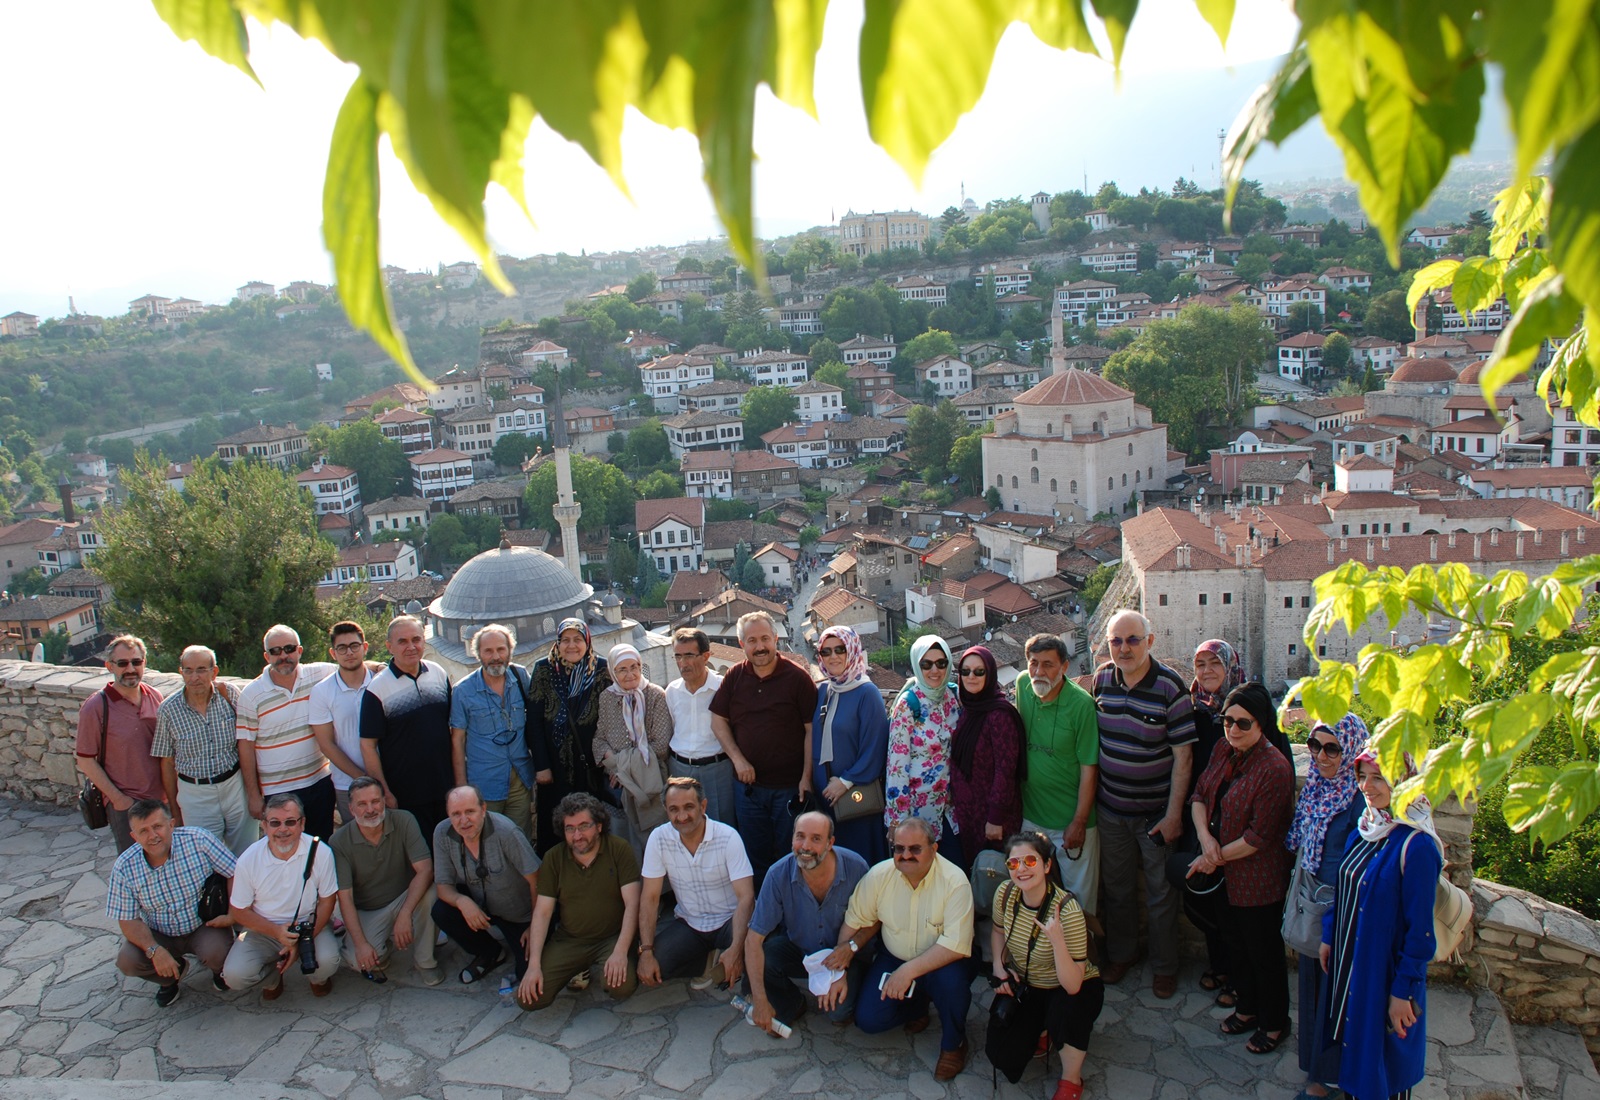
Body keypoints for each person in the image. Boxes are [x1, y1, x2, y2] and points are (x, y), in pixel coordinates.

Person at [1318, 749, 1442, 1100]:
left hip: (1382, 976)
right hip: (1350, 966)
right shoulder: (1368, 827)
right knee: (1354, 1053)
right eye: (1361, 776)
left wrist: (1403, 991)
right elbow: (1344, 886)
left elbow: (1420, 933)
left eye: (1378, 777)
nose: (1367, 787)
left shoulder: (1416, 847)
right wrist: (1330, 934)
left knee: (1384, 1068)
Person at [1092, 609, 1196, 999]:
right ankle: (1122, 956)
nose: (1124, 648)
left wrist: (1173, 816)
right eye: (1116, 641)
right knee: (1117, 891)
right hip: (1110, 810)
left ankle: (1165, 967)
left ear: (1150, 642)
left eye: (1133, 639)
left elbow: (1183, 758)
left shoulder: (1171, 688)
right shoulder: (1101, 678)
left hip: (1155, 814)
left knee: (1161, 894)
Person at [1187, 682, 1295, 1054]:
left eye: (1243, 723)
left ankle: (1276, 1022)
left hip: (1258, 878)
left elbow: (1258, 837)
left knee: (1263, 952)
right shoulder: (1222, 749)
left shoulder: (1274, 769)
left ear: (1262, 724)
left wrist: (1210, 857)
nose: (1232, 729)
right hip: (1225, 872)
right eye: (1227, 720)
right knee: (1236, 944)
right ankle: (1248, 1009)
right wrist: (1205, 839)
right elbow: (1200, 794)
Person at [837, 817, 975, 1081]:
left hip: (942, 960)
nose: (905, 855)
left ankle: (953, 1044)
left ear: (933, 850)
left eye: (915, 849)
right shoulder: (879, 875)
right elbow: (853, 922)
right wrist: (840, 968)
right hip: (893, 957)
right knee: (868, 1019)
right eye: (899, 848)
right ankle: (919, 1005)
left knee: (953, 986)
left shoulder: (955, 881)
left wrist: (907, 972)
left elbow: (955, 946)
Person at [986, 832, 1105, 1100]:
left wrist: (1057, 941)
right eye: (1014, 863)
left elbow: (1073, 983)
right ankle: (1041, 1028)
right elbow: (996, 931)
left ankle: (1071, 1080)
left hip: (1072, 985)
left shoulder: (1067, 910)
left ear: (1047, 865)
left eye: (1030, 860)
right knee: (1001, 1054)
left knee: (1066, 1015)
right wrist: (998, 966)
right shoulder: (1005, 893)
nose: (1022, 869)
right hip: (1029, 984)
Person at [1289, 714, 1369, 1100]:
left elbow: (1358, 863)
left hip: (1343, 911)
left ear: (1351, 749)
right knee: (1313, 993)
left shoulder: (1359, 799)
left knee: (1337, 999)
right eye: (1315, 746)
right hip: (1312, 902)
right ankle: (1316, 1070)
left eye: (1332, 748)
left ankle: (1328, 1080)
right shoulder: (1318, 788)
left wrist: (1339, 918)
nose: (1321, 756)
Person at [710, 611, 817, 885]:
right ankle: (763, 915)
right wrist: (738, 760)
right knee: (754, 856)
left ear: (776, 639)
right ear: (740, 643)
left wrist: (806, 777)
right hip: (748, 790)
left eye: (765, 639)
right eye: (752, 640)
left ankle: (791, 914)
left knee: (790, 855)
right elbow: (718, 721)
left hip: (788, 789)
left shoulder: (798, 679)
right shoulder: (734, 676)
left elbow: (810, 731)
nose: (760, 647)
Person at [744, 810, 872, 1033]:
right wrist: (761, 1001)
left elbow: (876, 920)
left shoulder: (856, 868)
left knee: (838, 1013)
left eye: (816, 839)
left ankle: (856, 984)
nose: (805, 846)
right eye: (800, 836)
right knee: (767, 955)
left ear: (830, 843)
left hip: (847, 955)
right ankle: (791, 1003)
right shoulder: (777, 874)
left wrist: (849, 949)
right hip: (802, 951)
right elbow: (753, 940)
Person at [516, 792, 640, 1011]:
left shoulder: (619, 849)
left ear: (599, 826)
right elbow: (543, 912)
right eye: (570, 828)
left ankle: (616, 959)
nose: (577, 835)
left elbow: (632, 903)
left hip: (611, 938)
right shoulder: (554, 857)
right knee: (530, 999)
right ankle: (576, 967)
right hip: (571, 939)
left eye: (584, 826)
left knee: (619, 987)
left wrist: (621, 951)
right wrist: (533, 965)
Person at [106, 799, 237, 1007]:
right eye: (144, 831)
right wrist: (153, 950)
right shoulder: (124, 867)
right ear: (134, 836)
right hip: (160, 932)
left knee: (218, 953)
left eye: (157, 826)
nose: (153, 836)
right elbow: (127, 920)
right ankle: (169, 979)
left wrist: (232, 914)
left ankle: (218, 972)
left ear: (171, 824)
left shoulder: (199, 840)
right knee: (128, 960)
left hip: (203, 924)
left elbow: (234, 872)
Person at [637, 776, 755, 990]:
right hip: (690, 923)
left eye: (689, 807)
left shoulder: (728, 837)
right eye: (674, 809)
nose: (682, 816)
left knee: (759, 949)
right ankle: (708, 960)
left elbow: (746, 897)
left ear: (703, 806)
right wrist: (646, 951)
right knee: (657, 965)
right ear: (666, 810)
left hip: (730, 921)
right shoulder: (658, 838)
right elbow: (650, 897)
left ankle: (727, 955)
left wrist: (737, 948)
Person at [223, 792, 340, 999]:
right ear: (264, 826)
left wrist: (303, 941)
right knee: (235, 975)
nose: (283, 829)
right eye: (275, 823)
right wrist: (277, 933)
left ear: (302, 824)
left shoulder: (321, 852)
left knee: (328, 960)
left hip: (309, 925)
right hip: (264, 930)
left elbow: (327, 901)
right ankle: (273, 979)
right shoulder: (248, 860)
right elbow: (239, 911)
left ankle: (317, 978)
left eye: (290, 822)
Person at [329, 776, 443, 986]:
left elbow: (425, 869)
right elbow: (345, 898)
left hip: (404, 897)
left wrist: (405, 913)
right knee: (360, 961)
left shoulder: (403, 820)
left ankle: (425, 962)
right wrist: (361, 944)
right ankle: (383, 947)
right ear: (351, 808)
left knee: (434, 892)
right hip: (369, 909)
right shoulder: (339, 841)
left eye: (375, 801)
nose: (370, 809)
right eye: (362, 804)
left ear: (384, 800)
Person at [1016, 634, 1099, 916]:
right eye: (1033, 663)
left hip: (1071, 821)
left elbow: (1089, 767)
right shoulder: (1022, 685)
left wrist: (1079, 821)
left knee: (1080, 899)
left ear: (1065, 667)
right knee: (1030, 892)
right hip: (1031, 815)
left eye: (1048, 665)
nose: (1039, 672)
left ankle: (1084, 957)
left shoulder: (1081, 705)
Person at [236, 625, 340, 840]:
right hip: (278, 791)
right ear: (266, 656)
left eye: (289, 649)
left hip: (319, 783)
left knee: (321, 848)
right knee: (284, 852)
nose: (283, 656)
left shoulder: (318, 674)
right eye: (275, 651)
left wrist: (377, 666)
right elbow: (245, 746)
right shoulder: (251, 695)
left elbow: (350, 666)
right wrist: (254, 796)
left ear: (299, 651)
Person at [432, 785, 543, 986]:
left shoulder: (506, 832)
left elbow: (538, 881)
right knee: (441, 911)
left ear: (483, 809)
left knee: (526, 971)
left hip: (518, 914)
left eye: (470, 812)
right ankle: (489, 952)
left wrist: (535, 927)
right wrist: (462, 901)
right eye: (455, 814)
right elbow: (443, 886)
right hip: (481, 906)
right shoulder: (442, 832)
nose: (463, 820)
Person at [153, 645, 256, 856]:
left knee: (247, 853)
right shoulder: (168, 710)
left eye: (201, 670)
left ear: (214, 672)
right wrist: (174, 808)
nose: (194, 677)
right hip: (195, 794)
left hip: (234, 786)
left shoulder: (229, 696)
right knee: (204, 858)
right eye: (188, 670)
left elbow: (249, 741)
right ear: (181, 672)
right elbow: (167, 762)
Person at [360, 615, 454, 841]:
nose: (411, 647)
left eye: (416, 639)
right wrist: (384, 791)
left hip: (445, 787)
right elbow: (368, 746)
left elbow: (452, 728)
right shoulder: (377, 689)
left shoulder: (438, 674)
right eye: (402, 641)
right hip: (406, 794)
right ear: (389, 646)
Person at [526, 618, 611, 856]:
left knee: (590, 819)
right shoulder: (544, 669)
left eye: (577, 639)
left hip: (590, 764)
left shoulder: (602, 669)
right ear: (558, 642)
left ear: (587, 641)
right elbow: (533, 721)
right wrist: (541, 766)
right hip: (554, 767)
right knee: (555, 824)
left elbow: (612, 715)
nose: (571, 646)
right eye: (566, 640)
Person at [76, 635, 165, 854]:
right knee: (135, 868)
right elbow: (85, 760)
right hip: (126, 804)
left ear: (144, 663)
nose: (130, 669)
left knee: (167, 862)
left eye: (136, 662)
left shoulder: (155, 697)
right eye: (123, 663)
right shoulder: (96, 707)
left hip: (161, 800)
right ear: (109, 666)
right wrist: (118, 799)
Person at [811, 626, 890, 864]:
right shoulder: (824, 690)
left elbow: (875, 748)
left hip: (856, 800)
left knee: (860, 864)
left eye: (840, 649)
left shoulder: (867, 693)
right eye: (826, 651)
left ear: (853, 650)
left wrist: (844, 782)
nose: (833, 656)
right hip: (826, 801)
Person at [449, 623, 534, 839]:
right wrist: (461, 788)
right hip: (484, 783)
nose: (495, 656)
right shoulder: (463, 691)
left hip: (520, 779)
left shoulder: (521, 677)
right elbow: (457, 741)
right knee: (487, 841)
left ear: (509, 651)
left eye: (500, 649)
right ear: (478, 654)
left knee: (519, 839)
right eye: (488, 651)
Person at [884, 636, 962, 870]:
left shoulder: (954, 696)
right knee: (920, 874)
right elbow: (897, 766)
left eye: (941, 663)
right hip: (918, 810)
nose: (934, 670)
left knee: (953, 872)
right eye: (926, 664)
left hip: (951, 808)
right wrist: (897, 821)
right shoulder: (908, 705)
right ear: (917, 666)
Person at [948, 644, 1023, 875]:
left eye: (979, 672)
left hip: (993, 818)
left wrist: (995, 818)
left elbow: (1005, 771)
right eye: (966, 671)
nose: (971, 676)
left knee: (997, 875)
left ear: (989, 674)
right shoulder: (968, 709)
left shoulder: (999, 715)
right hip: (970, 814)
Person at [593, 643, 671, 854]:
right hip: (617, 787)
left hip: (650, 781)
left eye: (634, 667)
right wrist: (617, 771)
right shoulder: (607, 698)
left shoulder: (655, 695)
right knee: (624, 845)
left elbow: (661, 745)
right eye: (622, 669)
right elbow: (599, 740)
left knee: (654, 843)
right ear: (612, 672)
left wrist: (623, 770)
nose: (630, 674)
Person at [308, 620, 375, 827]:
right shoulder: (322, 692)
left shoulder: (381, 682)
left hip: (389, 778)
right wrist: (363, 778)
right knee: (357, 844)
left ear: (364, 648)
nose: (349, 653)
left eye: (354, 646)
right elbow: (326, 744)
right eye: (342, 648)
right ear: (332, 653)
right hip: (348, 784)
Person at [664, 628, 734, 826]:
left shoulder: (723, 688)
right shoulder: (672, 691)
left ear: (706, 656)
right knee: (683, 825)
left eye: (689, 656)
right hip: (680, 769)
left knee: (721, 825)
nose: (683, 663)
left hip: (717, 769)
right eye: (678, 656)